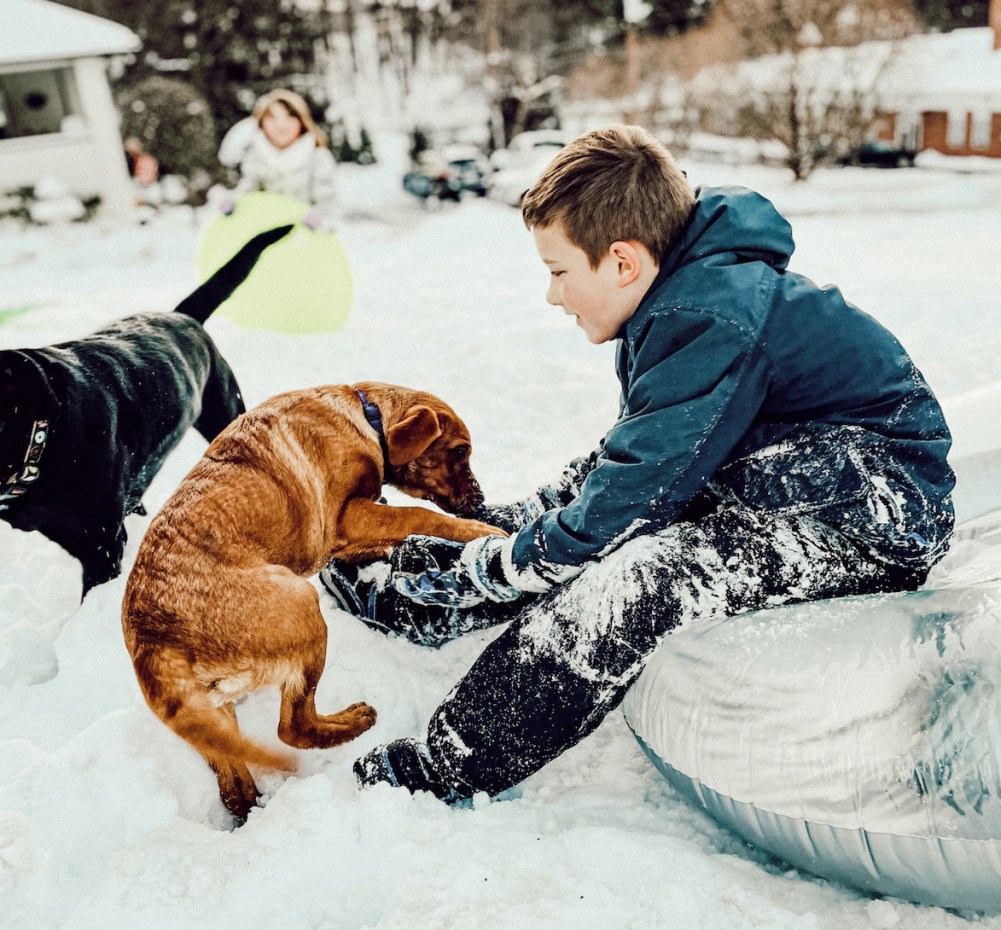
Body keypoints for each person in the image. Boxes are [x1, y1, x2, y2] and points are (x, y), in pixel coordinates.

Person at [321, 124, 956, 803]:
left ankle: (453, 764)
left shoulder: (709, 312)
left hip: (865, 516)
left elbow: (626, 508)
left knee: (645, 574)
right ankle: (423, 602)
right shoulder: (685, 292)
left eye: (559, 272)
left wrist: (503, 566)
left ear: (623, 262)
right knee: (597, 490)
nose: (553, 295)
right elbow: (630, 459)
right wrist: (498, 539)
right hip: (781, 478)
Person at [223, 89, 339, 223]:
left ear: (301, 122)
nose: (281, 125)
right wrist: (234, 206)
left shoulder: (317, 157)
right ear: (262, 123)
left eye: (289, 117)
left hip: (306, 236)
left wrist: (316, 220)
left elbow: (328, 201)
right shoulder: (256, 156)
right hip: (267, 234)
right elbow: (248, 193)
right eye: (272, 117)